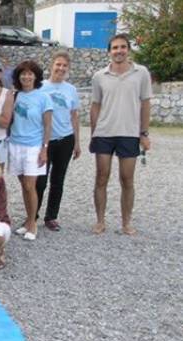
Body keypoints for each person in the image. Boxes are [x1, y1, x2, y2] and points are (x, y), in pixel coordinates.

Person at [90, 33, 152, 235]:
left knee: (127, 179)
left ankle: (126, 222)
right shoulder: (99, 76)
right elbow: (95, 106)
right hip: (104, 133)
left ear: (128, 49)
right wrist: (93, 133)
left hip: (129, 133)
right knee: (101, 177)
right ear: (109, 52)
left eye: (122, 47)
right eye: (115, 48)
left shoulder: (141, 73)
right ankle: (100, 221)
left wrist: (144, 133)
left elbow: (145, 104)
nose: (119, 51)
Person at [36, 51, 81, 232]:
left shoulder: (71, 90)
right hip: (45, 140)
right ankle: (33, 216)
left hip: (65, 139)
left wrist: (77, 142)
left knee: (58, 180)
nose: (61, 68)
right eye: (58, 64)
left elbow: (74, 116)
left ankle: (51, 216)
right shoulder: (41, 87)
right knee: (40, 180)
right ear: (51, 66)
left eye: (64, 66)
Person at [8, 60, 53, 241]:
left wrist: (45, 148)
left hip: (34, 146)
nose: (26, 77)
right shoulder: (14, 96)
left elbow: (48, 125)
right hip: (15, 144)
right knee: (23, 186)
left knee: (30, 185)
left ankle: (33, 223)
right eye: (23, 74)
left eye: (30, 73)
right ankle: (27, 220)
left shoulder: (43, 97)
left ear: (36, 76)